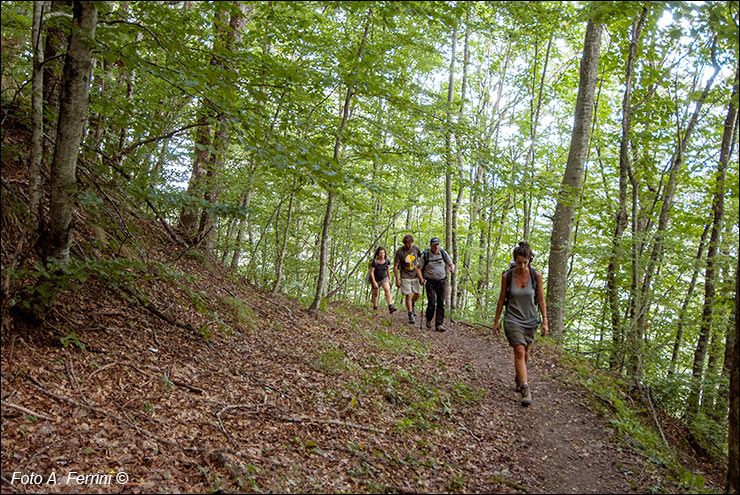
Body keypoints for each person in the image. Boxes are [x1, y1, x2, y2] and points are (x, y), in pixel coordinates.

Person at [492, 241, 549, 406]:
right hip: (512, 319)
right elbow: (502, 299)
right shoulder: (507, 276)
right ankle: (525, 388)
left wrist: (545, 321)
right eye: (519, 263)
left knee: (526, 351)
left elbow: (540, 299)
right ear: (514, 261)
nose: (523, 266)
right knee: (519, 351)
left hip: (531, 319)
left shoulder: (535, 275)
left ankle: (519, 377)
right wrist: (496, 321)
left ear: (529, 260)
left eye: (525, 262)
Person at [419, 237, 455, 332]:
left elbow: (451, 263)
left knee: (441, 303)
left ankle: (439, 324)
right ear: (430, 245)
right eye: (434, 245)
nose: (436, 246)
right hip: (429, 281)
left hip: (441, 281)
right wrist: (421, 279)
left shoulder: (443, 253)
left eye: (437, 244)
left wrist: (452, 268)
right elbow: (418, 268)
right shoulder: (425, 255)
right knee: (431, 303)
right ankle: (429, 319)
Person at [394, 234, 423, 324]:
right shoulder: (400, 252)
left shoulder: (416, 249)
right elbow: (395, 266)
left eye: (411, 243)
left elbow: (422, 260)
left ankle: (412, 304)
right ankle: (410, 313)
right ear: (404, 243)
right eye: (407, 243)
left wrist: (422, 275)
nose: (409, 245)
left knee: (417, 294)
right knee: (408, 295)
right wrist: (397, 279)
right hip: (405, 275)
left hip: (415, 275)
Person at [369, 247, 397, 314]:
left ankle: (390, 306)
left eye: (383, 253)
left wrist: (389, 279)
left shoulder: (387, 261)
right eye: (380, 253)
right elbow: (372, 272)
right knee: (375, 294)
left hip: (384, 278)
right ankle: (375, 307)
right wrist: (374, 282)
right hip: (376, 279)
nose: (382, 254)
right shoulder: (374, 262)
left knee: (387, 289)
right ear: (378, 254)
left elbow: (388, 270)